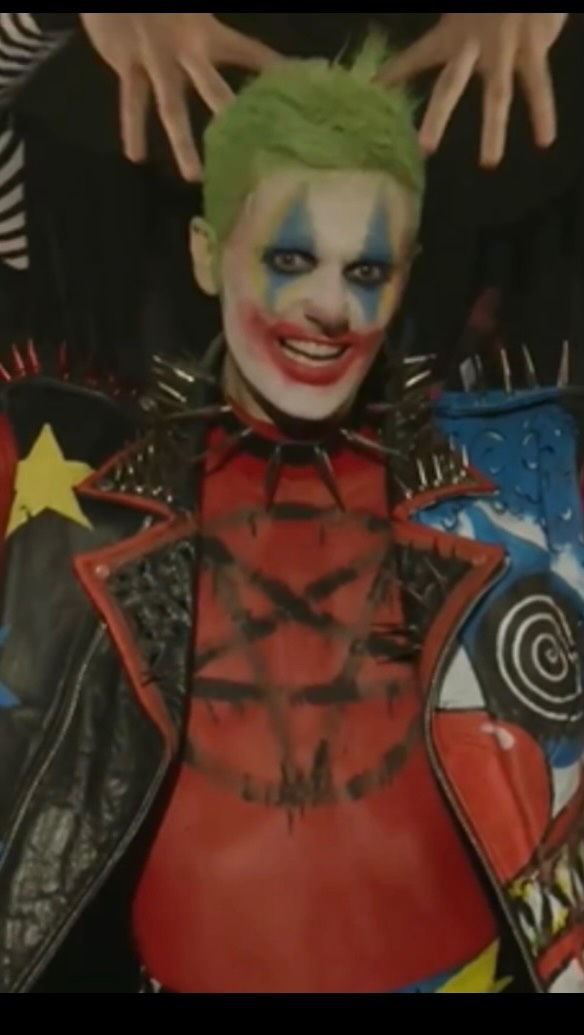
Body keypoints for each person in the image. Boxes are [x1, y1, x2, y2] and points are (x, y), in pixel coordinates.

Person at [0, 32, 583, 994]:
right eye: (290, 257)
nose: (328, 308)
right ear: (206, 254)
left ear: (406, 277)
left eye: (366, 272)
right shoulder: (73, 487)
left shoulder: (529, 475)